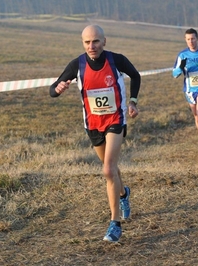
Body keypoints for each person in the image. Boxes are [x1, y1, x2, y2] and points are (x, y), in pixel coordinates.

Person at [49, 25, 141, 242]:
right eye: (87, 42)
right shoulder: (77, 65)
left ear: (104, 41)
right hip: (93, 125)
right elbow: (52, 89)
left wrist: (134, 101)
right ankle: (123, 194)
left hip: (115, 120)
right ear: (83, 43)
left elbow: (135, 76)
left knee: (108, 169)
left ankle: (115, 224)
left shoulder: (116, 60)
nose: (92, 46)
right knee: (112, 170)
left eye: (96, 41)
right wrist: (58, 89)